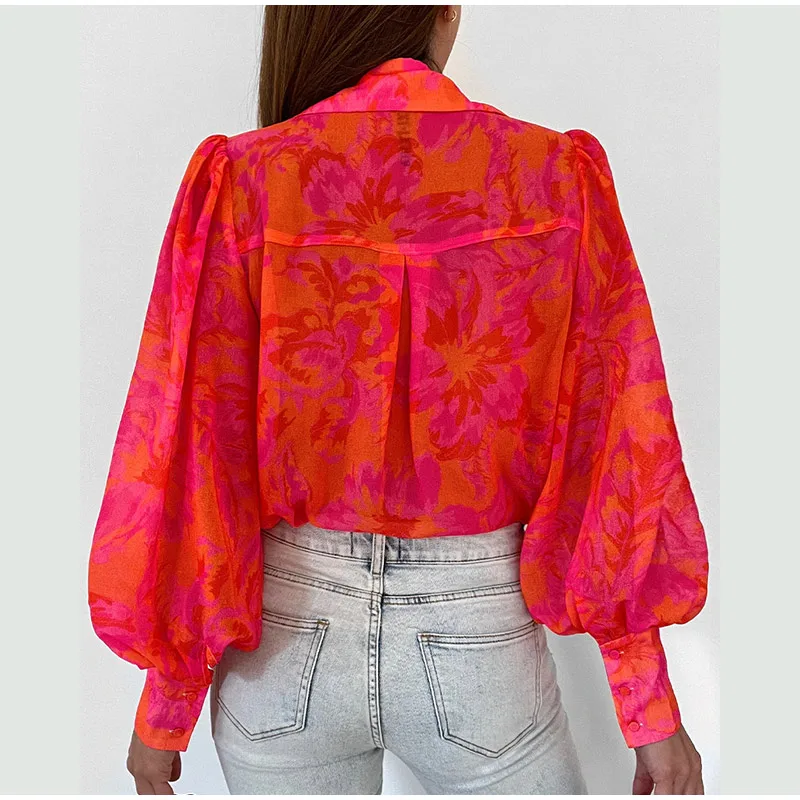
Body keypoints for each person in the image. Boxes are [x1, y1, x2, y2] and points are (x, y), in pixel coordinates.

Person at [87, 5, 709, 795]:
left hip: (284, 641)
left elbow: (187, 446)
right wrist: (646, 701)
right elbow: (617, 440)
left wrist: (166, 701)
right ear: (444, 13)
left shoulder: (243, 182)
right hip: (478, 638)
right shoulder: (553, 179)